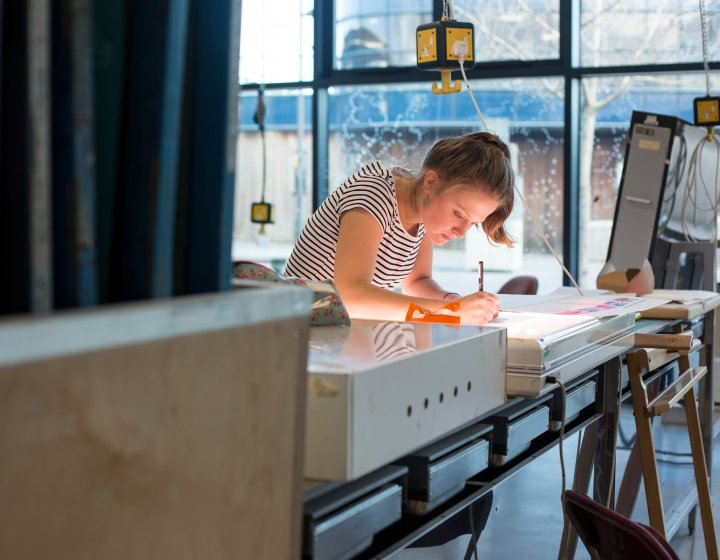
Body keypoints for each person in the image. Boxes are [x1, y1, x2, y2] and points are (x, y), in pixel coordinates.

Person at [284, 131, 515, 325]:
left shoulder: (423, 213)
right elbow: (349, 295)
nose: (461, 232)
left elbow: (417, 283)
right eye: (459, 214)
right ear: (431, 182)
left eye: (473, 223)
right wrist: (450, 312)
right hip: (299, 331)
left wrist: (456, 302)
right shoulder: (373, 196)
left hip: (339, 331)